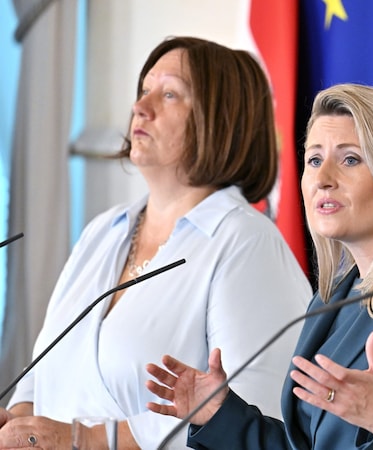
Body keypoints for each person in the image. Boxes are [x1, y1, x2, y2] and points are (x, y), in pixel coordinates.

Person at [144, 83, 373, 449]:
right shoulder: (332, 300)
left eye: (350, 159)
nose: (322, 180)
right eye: (314, 160)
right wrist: (219, 413)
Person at [0, 36, 312, 449]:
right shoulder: (104, 230)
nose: (140, 107)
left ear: (220, 121)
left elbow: (252, 421)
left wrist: (85, 440)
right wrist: (16, 423)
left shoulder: (247, 244)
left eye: (169, 94)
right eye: (143, 90)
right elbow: (44, 378)